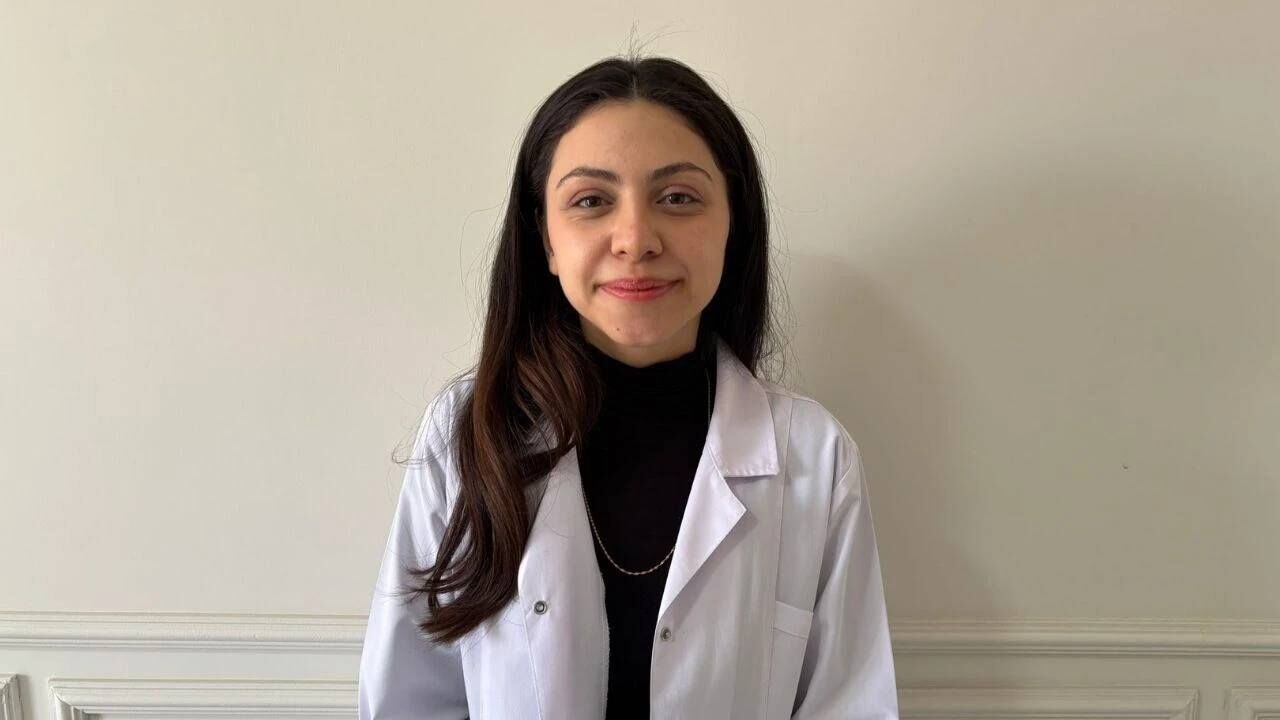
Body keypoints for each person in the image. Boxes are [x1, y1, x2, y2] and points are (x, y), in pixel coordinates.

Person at [358, 53, 899, 720]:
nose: (636, 239)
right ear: (546, 239)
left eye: (678, 198)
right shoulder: (468, 432)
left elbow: (851, 704)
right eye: (591, 201)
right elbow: (408, 702)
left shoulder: (815, 457)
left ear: (732, 225)